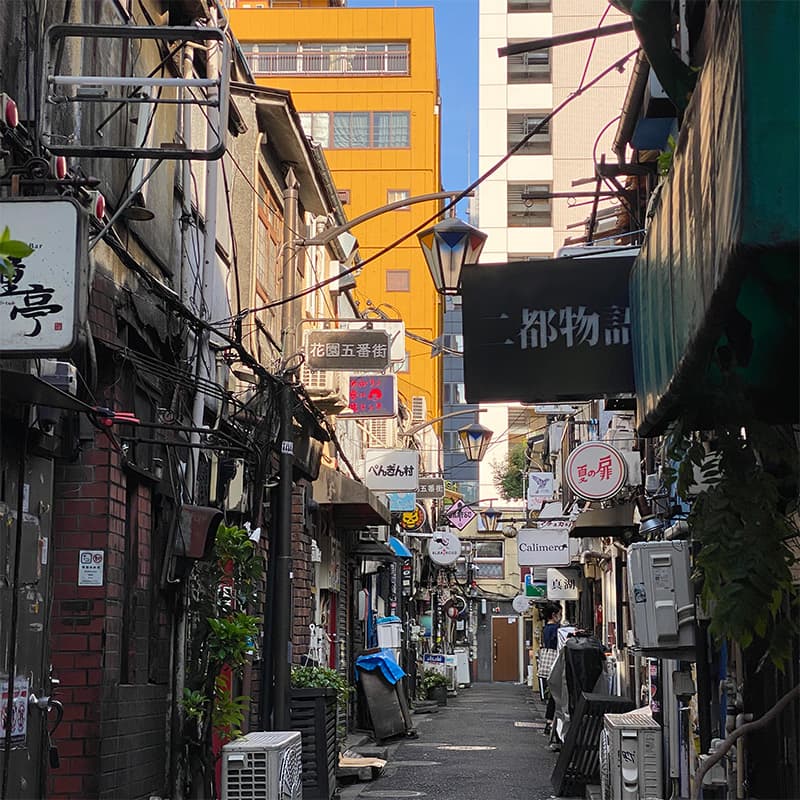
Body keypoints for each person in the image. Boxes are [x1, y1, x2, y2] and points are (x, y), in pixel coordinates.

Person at [541, 603, 562, 736]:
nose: (560, 617)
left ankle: (549, 721)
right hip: (556, 663)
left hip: (548, 663)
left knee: (553, 694)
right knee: (558, 695)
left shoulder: (545, 629)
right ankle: (552, 723)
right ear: (554, 615)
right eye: (559, 614)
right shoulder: (557, 629)